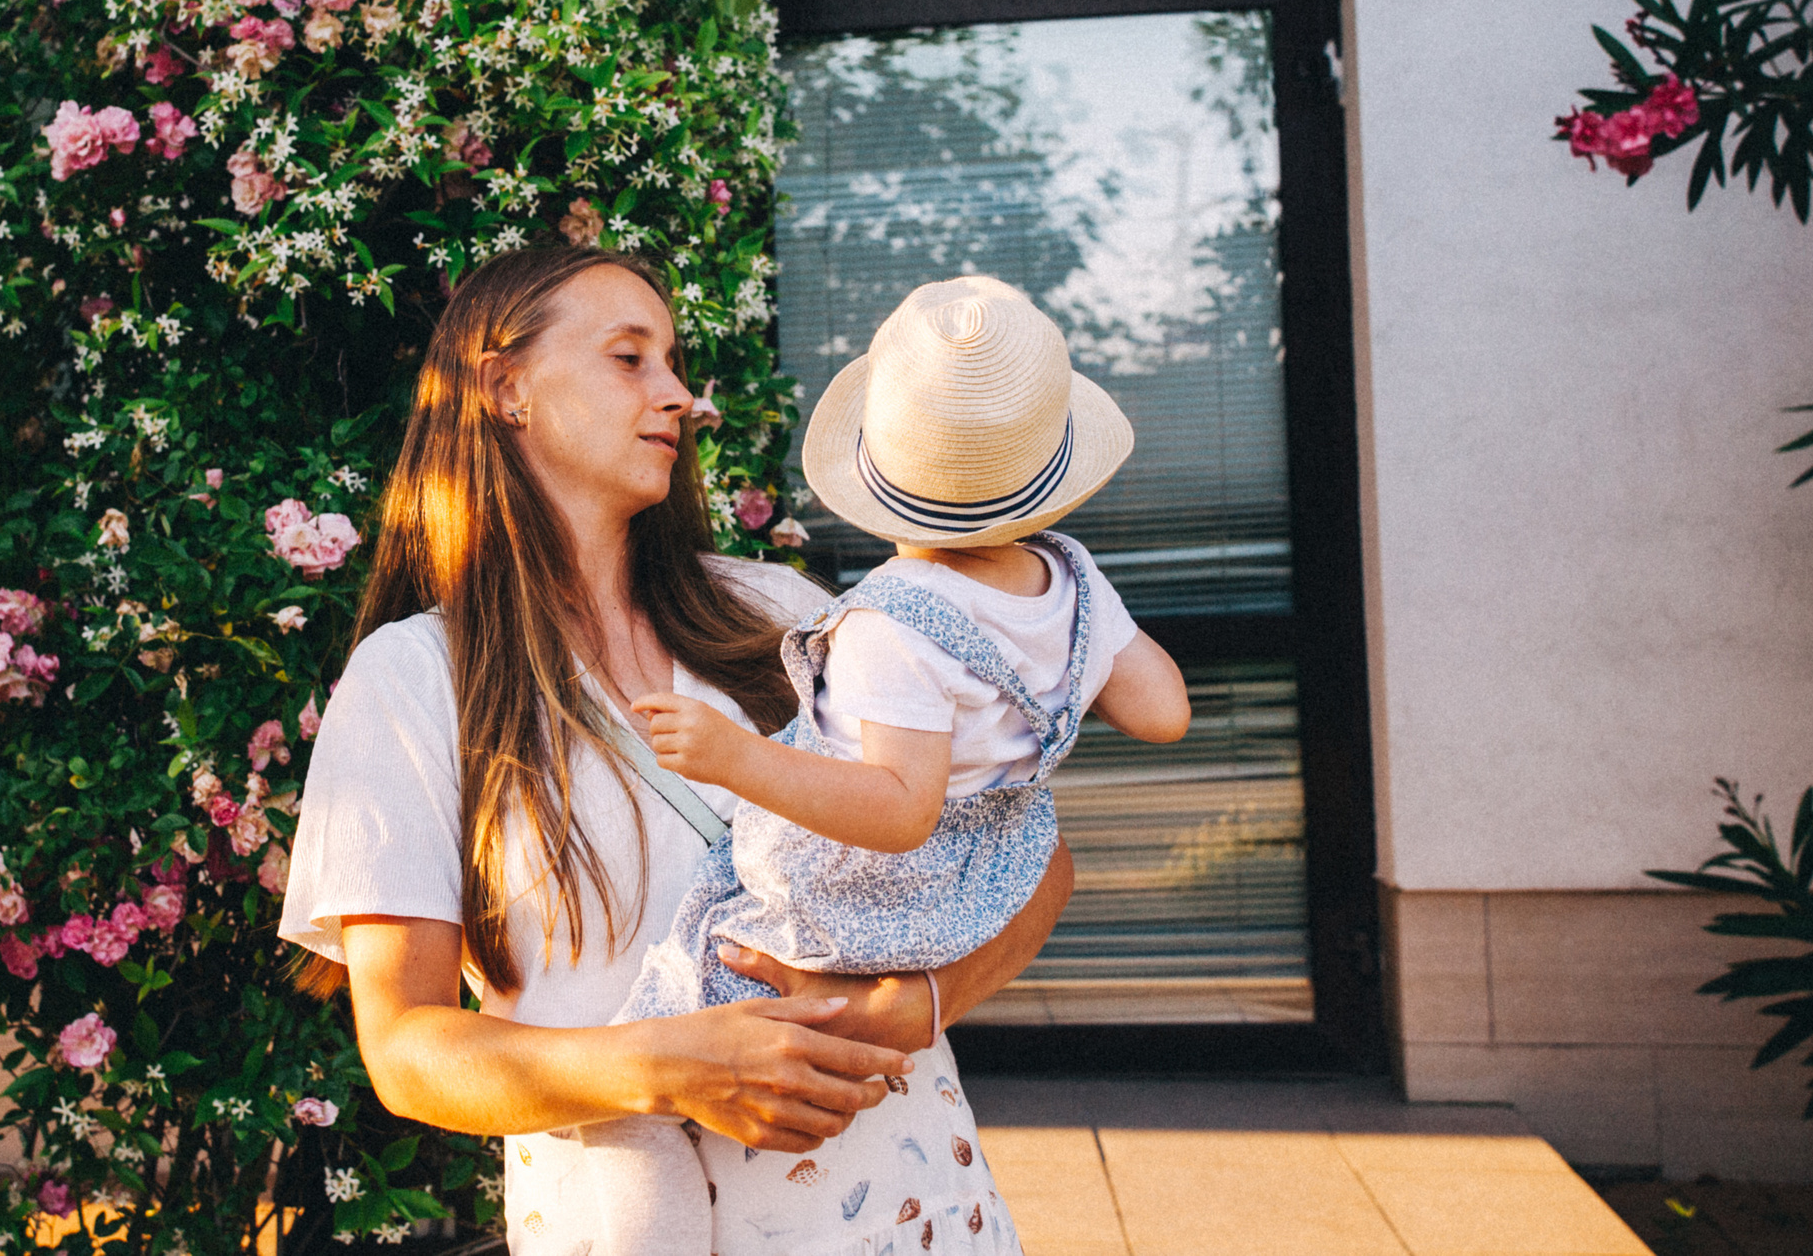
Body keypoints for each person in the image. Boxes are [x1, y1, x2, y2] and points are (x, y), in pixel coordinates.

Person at [279, 248, 1075, 1256]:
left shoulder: (787, 616)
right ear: (505, 386)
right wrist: (673, 1065)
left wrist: (913, 1007)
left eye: (674, 360)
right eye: (629, 358)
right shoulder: (411, 682)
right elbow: (407, 1052)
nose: (678, 395)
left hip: (899, 1208)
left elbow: (1033, 858)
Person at [582, 274, 1193, 1256]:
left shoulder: (890, 625)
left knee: (710, 942)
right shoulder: (1071, 578)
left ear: (879, 473)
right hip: (992, 861)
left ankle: (638, 1128)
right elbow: (1162, 712)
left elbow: (899, 808)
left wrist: (736, 758)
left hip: (871, 878)